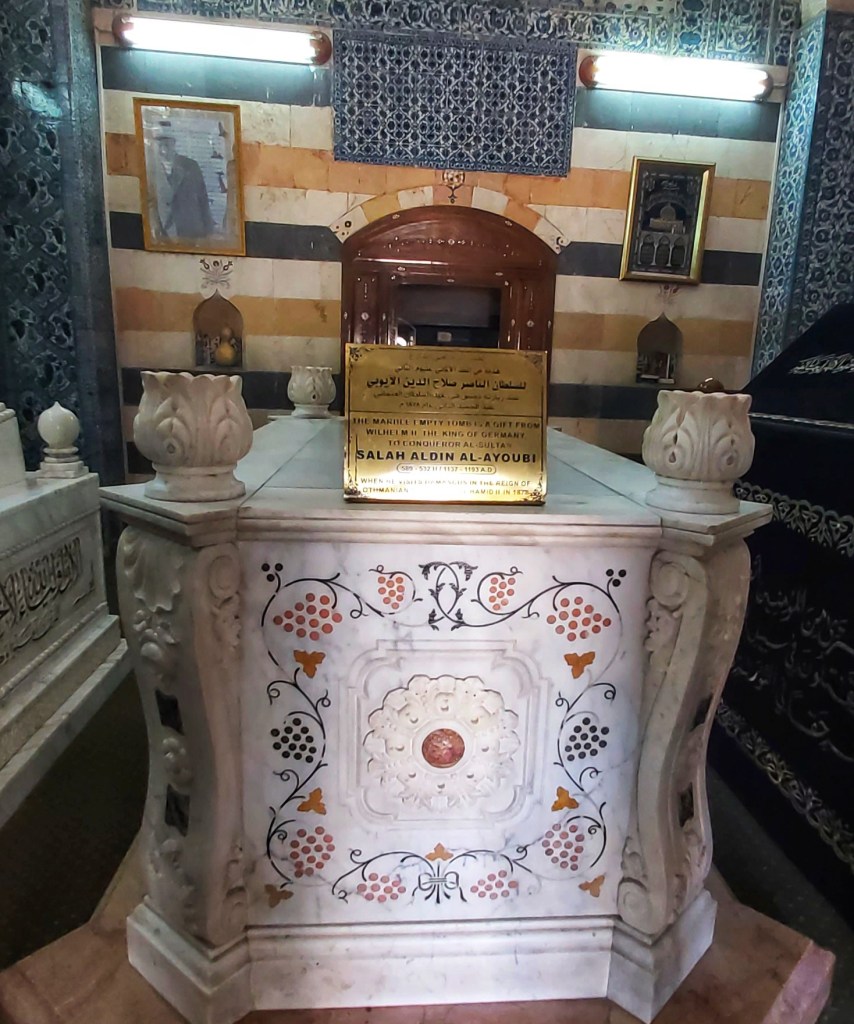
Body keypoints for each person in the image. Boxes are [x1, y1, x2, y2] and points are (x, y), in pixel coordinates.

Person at [147, 126, 214, 242]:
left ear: (174, 143)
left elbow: (203, 199)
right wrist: (154, 227)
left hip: (191, 232)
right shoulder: (150, 169)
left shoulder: (191, 166)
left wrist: (209, 232)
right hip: (163, 234)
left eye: (167, 145)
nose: (163, 150)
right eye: (160, 145)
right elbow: (149, 202)